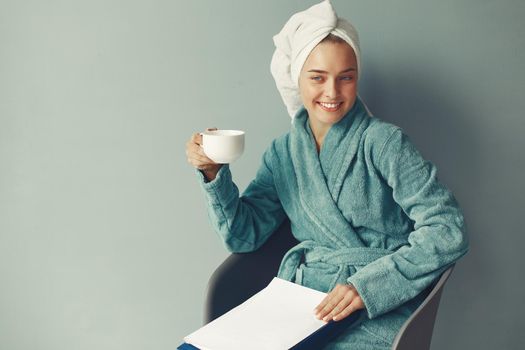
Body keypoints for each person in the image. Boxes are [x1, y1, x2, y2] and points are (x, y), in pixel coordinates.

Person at [185, 1, 468, 349]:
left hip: (376, 303)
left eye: (345, 78)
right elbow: (244, 235)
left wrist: (369, 287)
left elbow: (447, 228)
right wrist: (214, 175)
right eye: (317, 77)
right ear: (296, 78)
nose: (332, 92)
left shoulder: (383, 142)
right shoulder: (284, 153)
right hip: (299, 302)